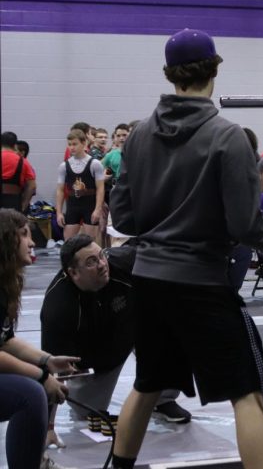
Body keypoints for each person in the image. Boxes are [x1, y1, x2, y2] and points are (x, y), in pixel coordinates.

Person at [108, 28, 263, 469]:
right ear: (214, 69)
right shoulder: (228, 137)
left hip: (150, 280)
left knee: (147, 384)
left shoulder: (136, 137)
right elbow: (245, 225)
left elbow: (125, 219)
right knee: (247, 393)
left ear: (170, 74)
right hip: (201, 284)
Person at [41, 235, 190, 431]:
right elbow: (50, 370)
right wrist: (49, 427)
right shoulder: (58, 307)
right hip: (96, 356)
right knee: (87, 411)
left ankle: (163, 399)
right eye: (91, 262)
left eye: (101, 255)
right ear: (73, 273)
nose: (102, 264)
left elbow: (159, 252)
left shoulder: (124, 261)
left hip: (134, 326)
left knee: (174, 329)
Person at [0, 208, 78, 469]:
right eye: (24, 235)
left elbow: (5, 340)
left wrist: (48, 361)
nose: (33, 242)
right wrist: (41, 376)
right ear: (5, 240)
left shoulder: (8, 282)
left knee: (36, 388)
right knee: (31, 393)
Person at [55, 129, 105, 244]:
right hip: (73, 206)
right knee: (68, 242)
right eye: (70, 144)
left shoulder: (95, 164)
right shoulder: (64, 166)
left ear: (84, 143)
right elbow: (60, 190)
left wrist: (98, 209)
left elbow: (100, 189)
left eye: (75, 144)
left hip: (90, 206)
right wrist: (59, 212)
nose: (72, 147)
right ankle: (70, 262)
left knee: (90, 242)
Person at [2, 132, 36, 212]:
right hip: (14, 203)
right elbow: (32, 186)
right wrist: (24, 205)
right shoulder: (23, 161)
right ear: (15, 145)